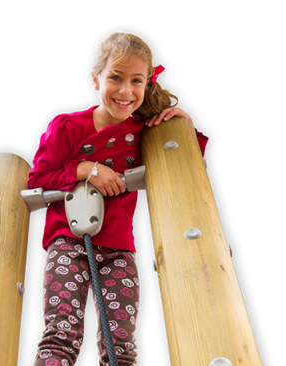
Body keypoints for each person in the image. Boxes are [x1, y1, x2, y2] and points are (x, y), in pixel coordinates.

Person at [28, 32, 209, 366]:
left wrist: (184, 123)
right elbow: (38, 178)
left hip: (119, 250)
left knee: (121, 346)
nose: (125, 91)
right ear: (96, 78)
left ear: (146, 86)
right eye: (115, 78)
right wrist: (85, 168)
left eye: (136, 81)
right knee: (60, 337)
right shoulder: (66, 128)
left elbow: (183, 162)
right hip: (69, 242)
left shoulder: (144, 133)